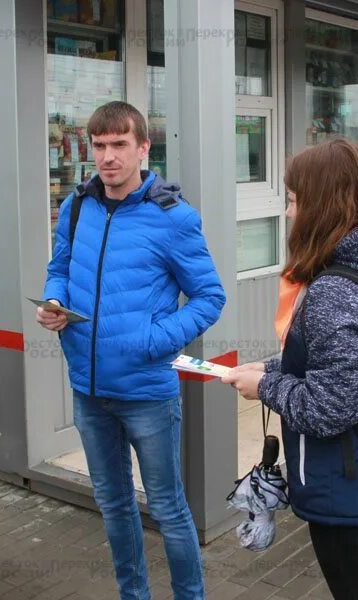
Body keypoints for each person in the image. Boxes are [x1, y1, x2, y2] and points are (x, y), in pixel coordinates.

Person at [38, 101, 225, 599]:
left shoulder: (173, 218)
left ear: (143, 148)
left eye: (120, 144)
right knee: (114, 505)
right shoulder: (75, 207)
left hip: (147, 392)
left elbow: (210, 297)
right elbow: (59, 268)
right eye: (99, 146)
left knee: (166, 508)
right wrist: (54, 300)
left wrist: (153, 341)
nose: (108, 157)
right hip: (89, 389)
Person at [222, 137, 358, 600]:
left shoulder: (334, 291)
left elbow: (330, 409)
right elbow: (345, 363)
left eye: (292, 201)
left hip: (344, 486)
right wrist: (271, 366)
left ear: (322, 205)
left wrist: (266, 386)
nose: (288, 213)